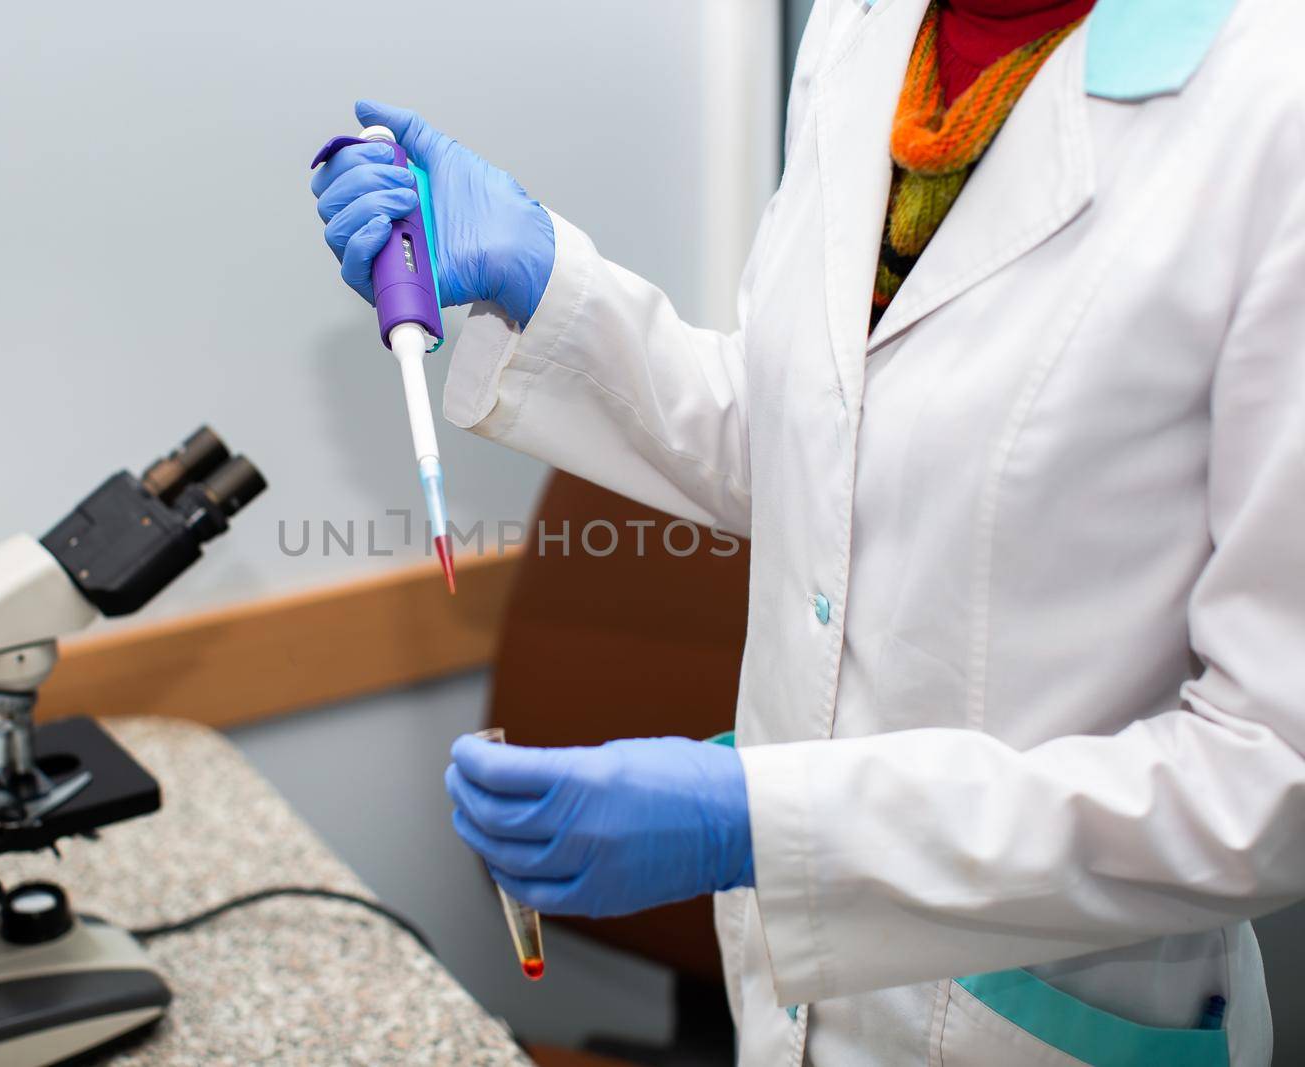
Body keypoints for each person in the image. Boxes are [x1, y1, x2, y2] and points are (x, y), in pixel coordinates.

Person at [308, 0, 1304, 1062]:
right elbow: (825, 449)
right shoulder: (862, 27)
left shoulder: (1269, 107)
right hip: (787, 1011)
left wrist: (762, 821)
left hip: (1049, 1018)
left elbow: (1268, 774)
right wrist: (549, 283)